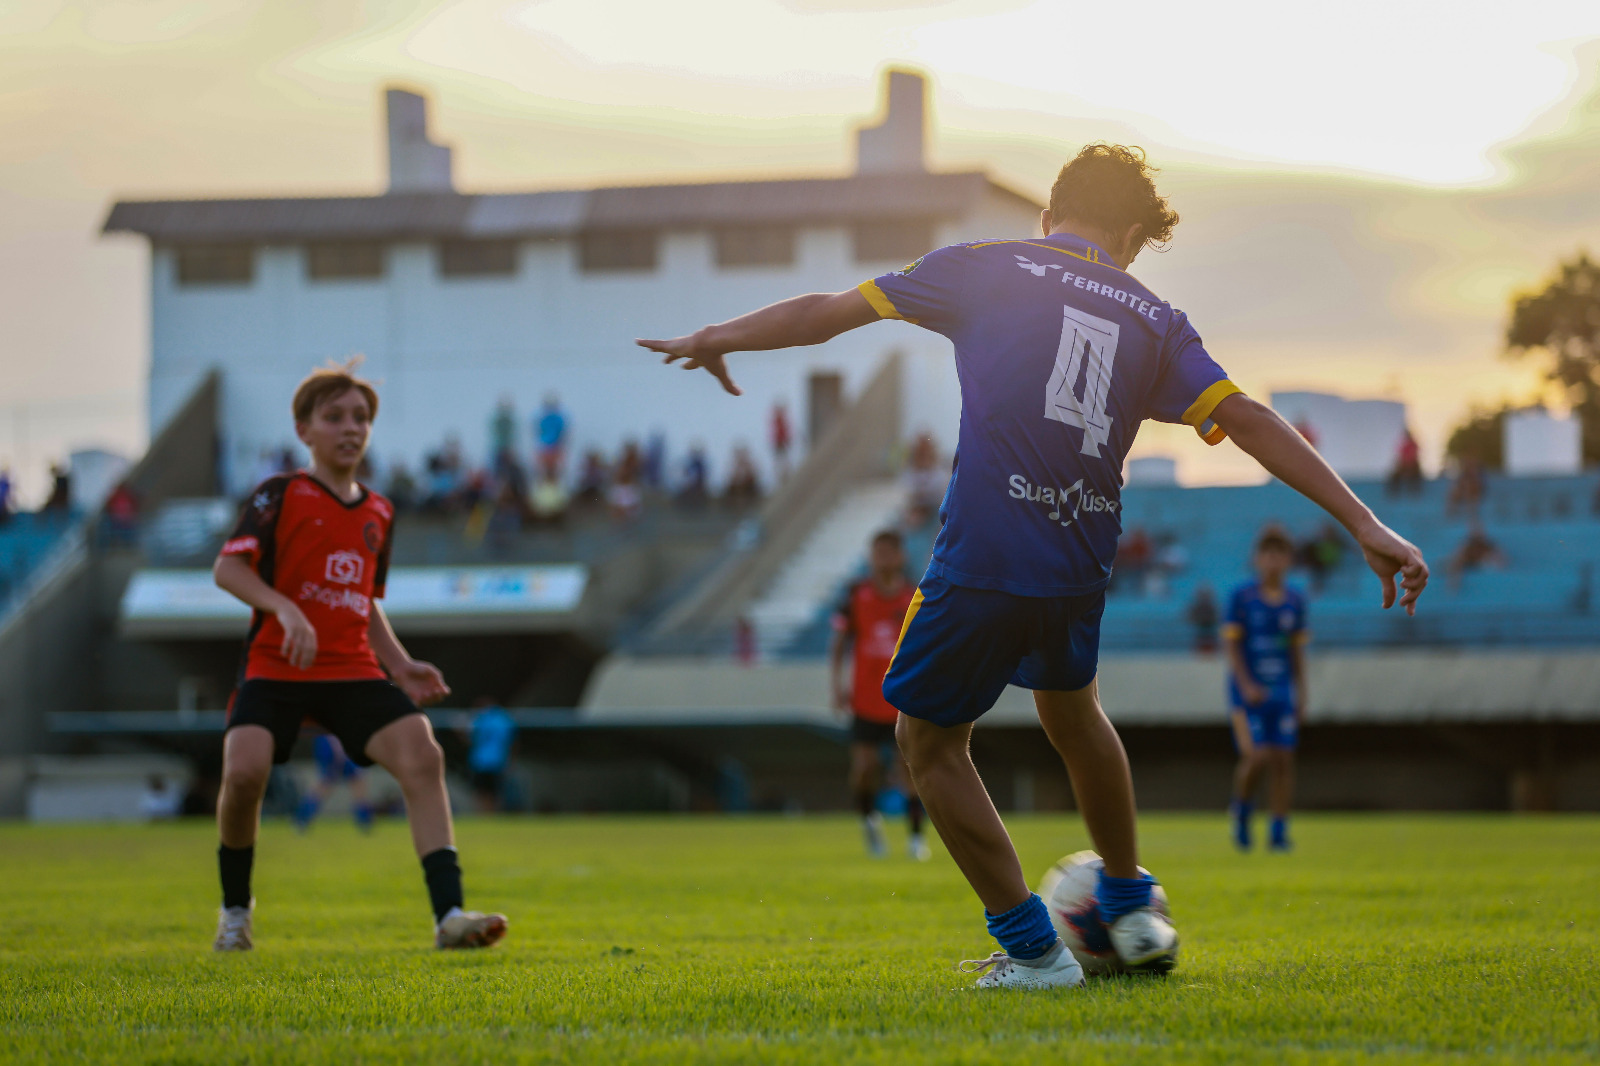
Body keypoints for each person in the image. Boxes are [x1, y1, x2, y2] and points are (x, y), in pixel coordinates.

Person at [639, 142, 1429, 990]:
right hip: (1082, 558)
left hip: (986, 549)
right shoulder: (1156, 316)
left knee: (930, 742)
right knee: (1075, 715)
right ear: (1127, 233)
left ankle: (1034, 950)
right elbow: (1247, 418)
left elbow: (831, 312)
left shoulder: (982, 267)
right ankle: (1129, 909)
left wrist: (720, 336)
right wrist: (1364, 520)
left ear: (1048, 217)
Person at [210, 360, 507, 953]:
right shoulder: (279, 493)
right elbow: (228, 568)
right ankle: (236, 914)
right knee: (245, 774)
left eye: (362, 418)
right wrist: (286, 609)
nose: (351, 428)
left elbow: (363, 602)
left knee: (423, 753)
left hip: (351, 669)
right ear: (304, 430)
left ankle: (449, 916)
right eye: (335, 417)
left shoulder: (379, 512)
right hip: (276, 663)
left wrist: (400, 664)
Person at [829, 529, 928, 861]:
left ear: (900, 556)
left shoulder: (915, 594)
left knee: (908, 769)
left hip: (903, 698)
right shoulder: (857, 595)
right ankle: (869, 821)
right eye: (877, 552)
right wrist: (837, 687)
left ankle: (916, 839)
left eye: (888, 552)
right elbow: (840, 642)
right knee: (864, 767)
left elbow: (927, 643)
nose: (882, 559)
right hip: (866, 699)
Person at [1224, 526, 1308, 852]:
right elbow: (1232, 647)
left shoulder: (1295, 601)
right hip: (1247, 695)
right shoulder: (1242, 598)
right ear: (1258, 559)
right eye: (1267, 554)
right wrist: (1245, 685)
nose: (1273, 561)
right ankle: (1242, 813)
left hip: (1282, 691)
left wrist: (1301, 692)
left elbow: (1296, 651)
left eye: (1279, 554)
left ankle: (1278, 831)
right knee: (1256, 756)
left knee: (1284, 759)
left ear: (1288, 560)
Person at [293, 732, 374, 833]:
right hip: (332, 740)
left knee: (357, 781)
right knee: (327, 783)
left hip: (339, 740)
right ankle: (302, 818)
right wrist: (336, 745)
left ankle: (364, 821)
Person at [466, 698, 517, 813]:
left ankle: (485, 814)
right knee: (496, 792)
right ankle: (494, 815)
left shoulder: (480, 719)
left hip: (481, 761)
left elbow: (470, 739)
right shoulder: (504, 719)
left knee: (482, 792)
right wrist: (511, 760)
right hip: (498, 761)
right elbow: (512, 743)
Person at [535, 393, 569, 479]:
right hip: (545, 447)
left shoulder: (559, 419)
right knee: (542, 472)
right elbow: (539, 432)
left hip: (556, 447)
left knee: (557, 472)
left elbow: (562, 434)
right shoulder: (543, 419)